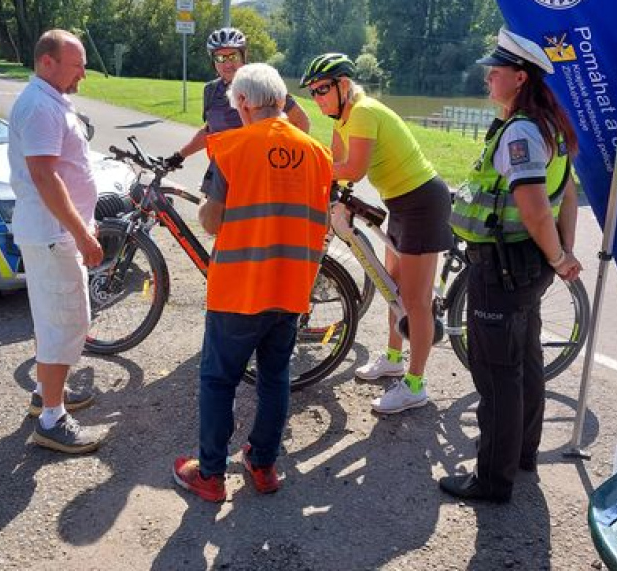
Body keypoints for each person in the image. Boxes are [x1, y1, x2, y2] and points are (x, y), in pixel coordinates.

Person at [172, 63, 332, 502]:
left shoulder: (233, 146)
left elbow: (211, 221)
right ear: (281, 100)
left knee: (218, 380)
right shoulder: (319, 154)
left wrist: (210, 207)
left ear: (244, 101)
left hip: (240, 288)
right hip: (292, 287)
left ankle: (210, 474)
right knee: (275, 377)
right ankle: (263, 465)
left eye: (235, 105)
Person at [439, 28, 582, 503]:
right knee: (525, 360)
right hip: (528, 264)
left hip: (503, 265)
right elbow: (570, 193)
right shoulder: (550, 126)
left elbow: (538, 205)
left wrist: (561, 255)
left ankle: (492, 479)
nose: (487, 79)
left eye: (494, 72)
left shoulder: (520, 131)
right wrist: (560, 254)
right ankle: (520, 451)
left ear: (520, 77)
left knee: (496, 373)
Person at [300, 53, 452, 414]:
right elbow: (335, 169)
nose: (317, 98)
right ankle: (394, 359)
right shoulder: (342, 119)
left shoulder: (364, 111)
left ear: (344, 86)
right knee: (392, 289)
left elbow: (353, 168)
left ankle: (416, 385)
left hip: (423, 203)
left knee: (415, 301)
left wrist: (314, 175)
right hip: (401, 204)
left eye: (323, 89)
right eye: (313, 92)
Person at [8, 29, 106, 455]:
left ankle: (47, 397)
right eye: (76, 63)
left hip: (57, 233)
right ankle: (51, 419)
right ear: (46, 62)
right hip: (53, 235)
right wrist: (82, 233)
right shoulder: (39, 108)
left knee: (59, 319)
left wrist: (85, 222)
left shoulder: (50, 100)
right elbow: (45, 177)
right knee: (65, 321)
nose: (83, 71)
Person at [165, 27, 310, 186]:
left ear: (243, 56)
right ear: (213, 61)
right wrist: (180, 155)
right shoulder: (211, 90)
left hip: (256, 174)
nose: (227, 63)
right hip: (221, 169)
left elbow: (301, 121)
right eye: (220, 57)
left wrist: (288, 163)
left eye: (232, 56)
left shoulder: (262, 84)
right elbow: (209, 131)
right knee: (206, 209)